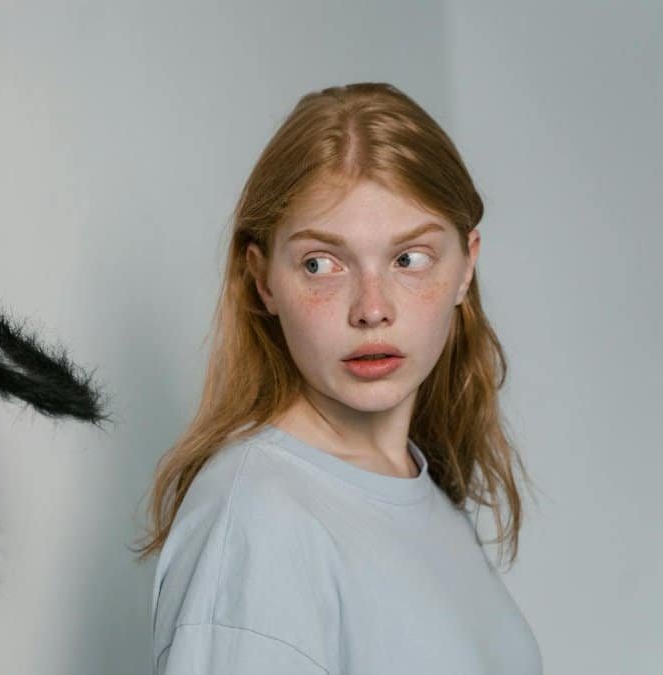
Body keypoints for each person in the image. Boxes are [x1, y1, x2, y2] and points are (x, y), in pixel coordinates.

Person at [133, 82, 543, 674]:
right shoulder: (261, 520)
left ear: (466, 265)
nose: (371, 309)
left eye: (409, 259)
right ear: (264, 280)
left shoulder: (418, 491)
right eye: (320, 264)